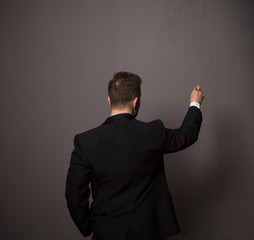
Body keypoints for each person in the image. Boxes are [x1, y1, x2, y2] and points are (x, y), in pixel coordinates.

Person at [65, 71, 204, 240]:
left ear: (109, 101)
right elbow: (187, 135)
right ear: (135, 101)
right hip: (148, 232)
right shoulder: (153, 133)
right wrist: (194, 104)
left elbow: (74, 196)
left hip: (106, 232)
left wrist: (87, 229)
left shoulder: (86, 142)